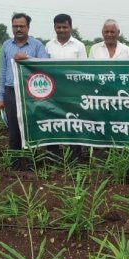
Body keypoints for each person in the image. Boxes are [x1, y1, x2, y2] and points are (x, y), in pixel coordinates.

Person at [0, 13, 49, 170]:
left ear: (28, 27)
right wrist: (0, 97)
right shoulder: (6, 45)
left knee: (31, 128)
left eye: (22, 26)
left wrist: (26, 57)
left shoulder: (37, 45)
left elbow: (43, 66)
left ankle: (32, 165)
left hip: (31, 92)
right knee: (13, 131)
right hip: (11, 91)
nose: (18, 29)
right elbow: (3, 72)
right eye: (15, 26)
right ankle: (15, 166)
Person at [45, 13, 86, 162]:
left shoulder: (79, 46)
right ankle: (53, 159)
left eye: (65, 27)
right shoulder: (48, 46)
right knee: (53, 124)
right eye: (58, 27)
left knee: (73, 124)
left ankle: (75, 159)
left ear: (70, 27)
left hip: (72, 93)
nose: (61, 30)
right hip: (53, 94)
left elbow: (83, 71)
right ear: (54, 28)